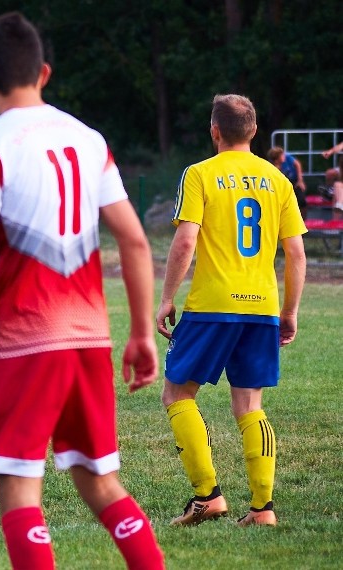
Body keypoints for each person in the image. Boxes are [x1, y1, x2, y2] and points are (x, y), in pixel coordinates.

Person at [0, 12, 164, 570]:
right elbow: (136, 244)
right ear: (44, 73)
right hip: (90, 338)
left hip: (26, 339)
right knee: (101, 482)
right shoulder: (88, 138)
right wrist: (141, 334)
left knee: (20, 486)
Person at [156, 94, 307, 527]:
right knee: (249, 405)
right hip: (262, 307)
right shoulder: (277, 179)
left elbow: (186, 240)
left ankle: (207, 498)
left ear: (215, 131)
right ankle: (262, 509)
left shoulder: (200, 173)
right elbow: (295, 254)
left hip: (211, 306)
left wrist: (167, 297)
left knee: (177, 393)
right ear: (255, 131)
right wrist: (289, 310)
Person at [267, 146, 306, 218]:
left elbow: (297, 164)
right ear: (277, 159)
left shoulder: (287, 158)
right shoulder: (272, 168)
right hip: (281, 185)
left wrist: (300, 180)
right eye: (282, 155)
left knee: (301, 200)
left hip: (294, 181)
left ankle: (304, 220)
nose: (284, 156)